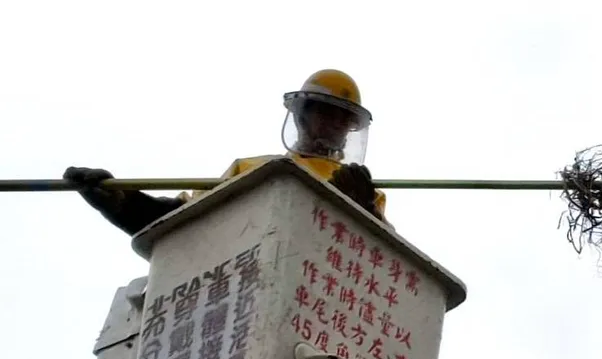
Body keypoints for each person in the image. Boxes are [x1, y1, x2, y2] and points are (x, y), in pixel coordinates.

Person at [65, 69, 387, 235]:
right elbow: (187, 221)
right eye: (325, 113)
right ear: (302, 115)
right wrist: (124, 203)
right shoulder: (252, 170)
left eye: (343, 119)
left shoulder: (363, 190)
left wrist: (363, 214)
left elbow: (389, 260)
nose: (334, 125)